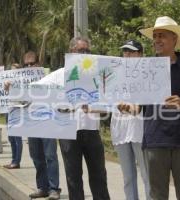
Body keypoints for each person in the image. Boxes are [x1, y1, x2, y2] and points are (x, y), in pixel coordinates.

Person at [139, 16, 180, 200]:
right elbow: (136, 107)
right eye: (155, 36)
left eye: (162, 35)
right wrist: (121, 106)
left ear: (174, 38)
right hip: (155, 141)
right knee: (157, 196)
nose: (157, 40)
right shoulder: (144, 69)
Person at [59, 37, 110, 200]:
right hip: (68, 132)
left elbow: (106, 108)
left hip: (92, 130)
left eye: (88, 51)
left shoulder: (97, 75)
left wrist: (98, 108)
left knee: (99, 175)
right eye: (82, 51)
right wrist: (11, 86)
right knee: (73, 177)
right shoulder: (60, 74)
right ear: (72, 51)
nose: (86, 54)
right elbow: (35, 89)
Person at [6, 51, 60, 199]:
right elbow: (18, 101)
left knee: (50, 156)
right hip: (31, 123)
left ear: (38, 64)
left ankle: (54, 188)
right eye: (27, 64)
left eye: (32, 63)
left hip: (48, 122)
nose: (29, 66)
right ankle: (42, 187)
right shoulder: (22, 82)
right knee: (36, 156)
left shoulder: (49, 78)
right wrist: (10, 88)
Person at [110, 40, 150, 200]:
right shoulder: (114, 74)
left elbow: (139, 108)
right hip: (120, 131)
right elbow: (107, 101)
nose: (126, 54)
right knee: (127, 178)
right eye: (125, 51)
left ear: (140, 54)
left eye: (131, 51)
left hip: (139, 130)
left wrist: (125, 107)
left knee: (147, 176)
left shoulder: (148, 74)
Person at [3, 63, 23, 169]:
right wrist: (7, 86)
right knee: (11, 137)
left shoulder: (22, 82)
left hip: (17, 110)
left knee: (17, 138)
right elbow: (5, 92)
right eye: (11, 70)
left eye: (14, 70)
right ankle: (13, 160)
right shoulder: (9, 81)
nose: (12, 72)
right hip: (9, 109)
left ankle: (17, 161)